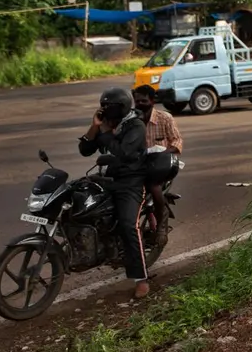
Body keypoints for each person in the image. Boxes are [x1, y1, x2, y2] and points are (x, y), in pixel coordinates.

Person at [78, 87, 151, 299]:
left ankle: (141, 279)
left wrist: (107, 132)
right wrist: (95, 127)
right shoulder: (107, 125)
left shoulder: (135, 125)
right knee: (78, 199)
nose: (106, 110)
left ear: (122, 107)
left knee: (129, 225)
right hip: (108, 178)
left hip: (131, 182)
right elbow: (85, 150)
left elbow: (124, 152)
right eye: (104, 106)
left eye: (110, 107)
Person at [133, 85, 184, 248]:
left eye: (143, 100)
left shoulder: (164, 118)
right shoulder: (132, 121)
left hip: (162, 164)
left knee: (153, 185)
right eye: (137, 101)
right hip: (138, 165)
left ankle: (161, 224)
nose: (140, 104)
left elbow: (177, 141)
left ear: (152, 101)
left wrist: (162, 152)